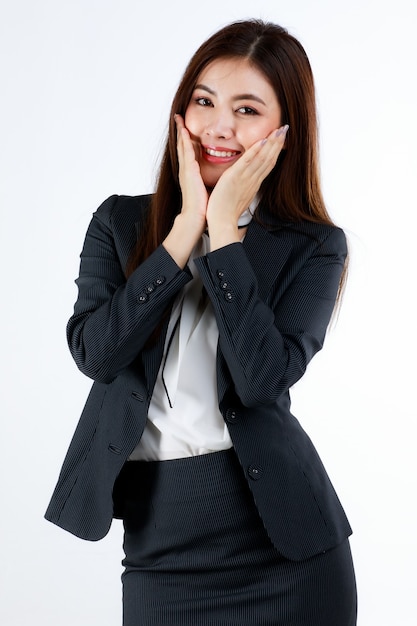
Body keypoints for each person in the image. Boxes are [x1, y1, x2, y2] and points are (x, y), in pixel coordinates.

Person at [45, 18, 357, 625]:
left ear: (283, 131)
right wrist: (186, 228)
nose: (219, 126)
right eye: (204, 101)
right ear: (181, 111)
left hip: (285, 548)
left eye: (247, 109)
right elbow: (98, 356)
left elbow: (262, 380)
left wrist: (224, 237)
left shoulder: (313, 246)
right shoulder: (120, 225)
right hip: (162, 542)